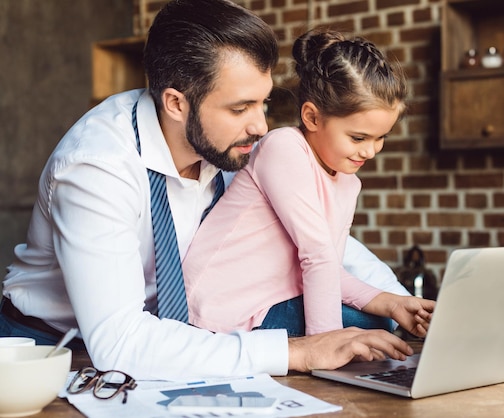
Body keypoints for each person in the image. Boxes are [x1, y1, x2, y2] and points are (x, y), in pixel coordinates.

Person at [0, 0, 430, 381]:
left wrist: (401, 303)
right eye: (241, 108)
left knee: (368, 326)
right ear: (176, 103)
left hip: (173, 336)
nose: (261, 126)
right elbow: (121, 344)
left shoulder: (226, 144)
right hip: (52, 351)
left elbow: (321, 240)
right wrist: (298, 350)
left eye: (262, 103)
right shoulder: (97, 168)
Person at [183, 29, 435, 337]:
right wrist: (326, 346)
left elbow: (328, 268)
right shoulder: (284, 148)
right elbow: (317, 257)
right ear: (312, 118)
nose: (370, 151)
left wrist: (389, 303)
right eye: (358, 137)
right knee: (369, 328)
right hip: (218, 311)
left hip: (269, 305)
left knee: (379, 321)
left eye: (380, 138)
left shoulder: (347, 182)